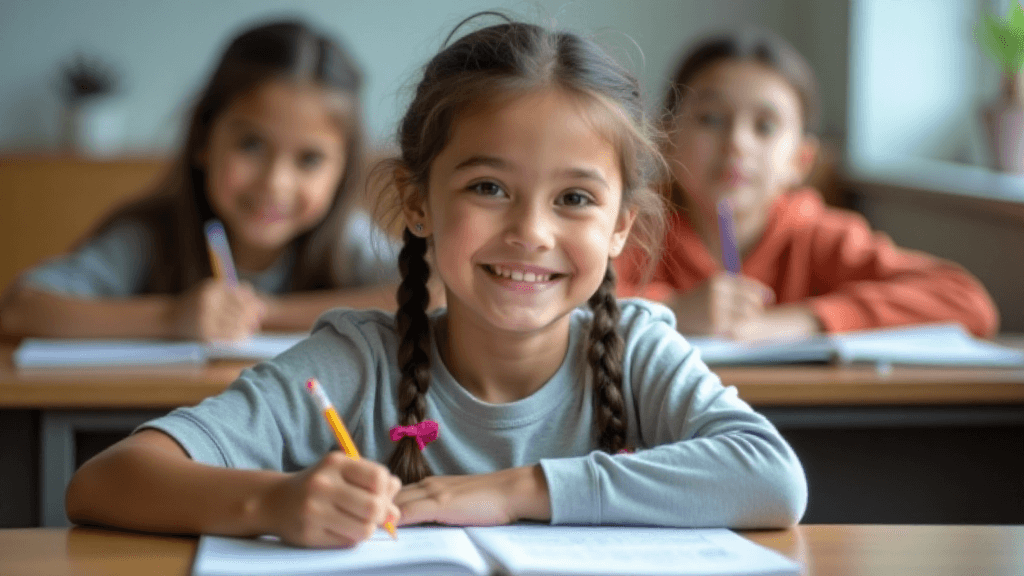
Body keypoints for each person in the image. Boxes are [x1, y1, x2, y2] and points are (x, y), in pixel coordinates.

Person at [64, 14, 806, 548]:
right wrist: (275, 500)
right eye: (488, 187)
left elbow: (772, 480)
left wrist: (513, 492)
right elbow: (106, 480)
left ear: (619, 227)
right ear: (416, 203)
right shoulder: (356, 361)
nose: (532, 232)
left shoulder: (639, 350)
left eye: (575, 199)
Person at [0, 20, 406, 342]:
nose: (276, 183)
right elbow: (20, 308)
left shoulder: (346, 242)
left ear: (342, 171)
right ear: (203, 141)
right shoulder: (148, 237)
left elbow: (432, 294)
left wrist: (261, 312)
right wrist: (172, 318)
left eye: (310, 159)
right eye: (251, 145)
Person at [616, 29, 999, 342]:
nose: (737, 143)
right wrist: (673, 311)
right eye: (712, 119)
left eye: (765, 126)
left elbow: (966, 301)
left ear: (800, 161)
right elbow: (575, 304)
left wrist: (807, 320)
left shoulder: (821, 237)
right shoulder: (630, 229)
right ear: (665, 137)